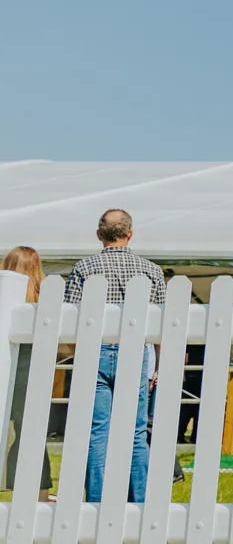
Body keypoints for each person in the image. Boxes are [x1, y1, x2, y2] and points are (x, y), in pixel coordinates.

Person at [64, 209, 166, 503]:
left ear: (99, 235)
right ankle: (140, 501)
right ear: (130, 234)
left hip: (95, 351)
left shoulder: (84, 268)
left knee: (98, 430)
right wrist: (157, 366)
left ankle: (96, 498)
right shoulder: (150, 270)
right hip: (136, 352)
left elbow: (70, 323)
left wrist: (80, 356)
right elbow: (161, 327)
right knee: (136, 432)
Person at [4, 246, 53, 502]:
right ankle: (40, 494)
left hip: (8, 365)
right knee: (31, 434)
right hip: (31, 369)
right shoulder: (44, 297)